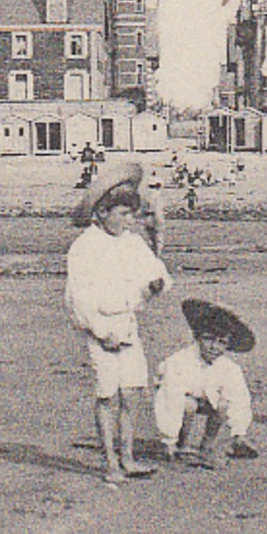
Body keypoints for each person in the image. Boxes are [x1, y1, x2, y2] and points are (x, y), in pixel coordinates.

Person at [65, 162, 171, 484]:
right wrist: (99, 331)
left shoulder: (131, 242)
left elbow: (155, 271)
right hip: (102, 326)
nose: (129, 221)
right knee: (107, 395)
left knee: (132, 392)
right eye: (122, 214)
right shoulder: (84, 247)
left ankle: (128, 456)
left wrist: (155, 284)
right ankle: (110, 462)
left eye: (131, 214)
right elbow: (77, 297)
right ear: (101, 213)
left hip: (127, 323)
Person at [153, 299, 257, 469]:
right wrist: (168, 438)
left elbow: (239, 399)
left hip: (207, 397)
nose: (214, 347)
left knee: (224, 404)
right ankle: (181, 444)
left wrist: (239, 432)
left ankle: (206, 446)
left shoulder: (229, 368)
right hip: (179, 398)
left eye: (221, 343)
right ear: (198, 337)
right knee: (188, 405)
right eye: (208, 339)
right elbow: (169, 399)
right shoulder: (179, 362)